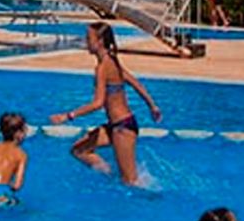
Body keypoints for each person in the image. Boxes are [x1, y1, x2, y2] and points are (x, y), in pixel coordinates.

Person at [49, 21, 162, 186]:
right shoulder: (113, 61)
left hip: (123, 128)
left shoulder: (102, 68)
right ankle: (108, 173)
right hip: (115, 126)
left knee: (130, 182)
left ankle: (153, 202)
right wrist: (152, 106)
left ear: (100, 41)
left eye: (89, 38)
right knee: (79, 150)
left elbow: (98, 103)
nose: (85, 41)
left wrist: (68, 116)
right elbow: (135, 83)